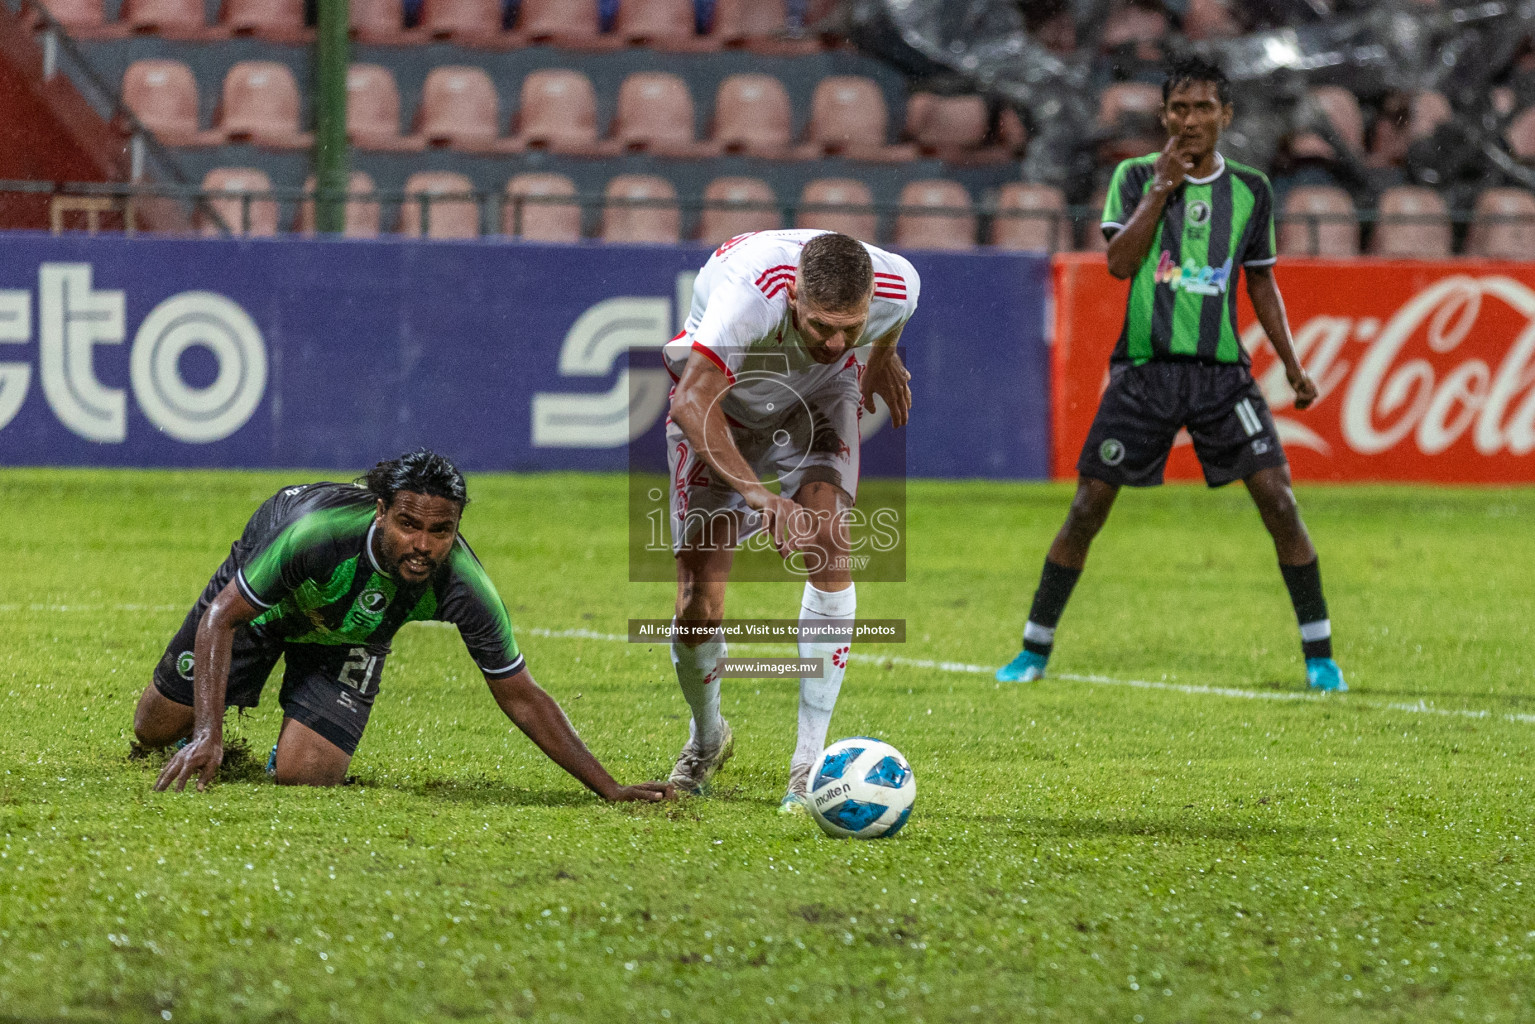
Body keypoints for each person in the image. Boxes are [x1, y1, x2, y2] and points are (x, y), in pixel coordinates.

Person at [997, 56, 1346, 693]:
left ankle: (1320, 657)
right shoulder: (1134, 177)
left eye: (1203, 108)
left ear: (1225, 116)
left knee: (1280, 502)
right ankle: (1033, 649)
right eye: (1179, 109)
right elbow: (1120, 265)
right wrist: (1162, 188)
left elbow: (1261, 281)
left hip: (1222, 379)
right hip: (1143, 373)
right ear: (1164, 116)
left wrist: (1292, 366)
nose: (1189, 120)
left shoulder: (1252, 190)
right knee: (1087, 508)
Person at [134, 448, 676, 800]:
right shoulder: (313, 535)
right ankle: (201, 728)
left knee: (306, 776)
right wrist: (209, 732)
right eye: (408, 524)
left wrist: (610, 788)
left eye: (441, 530)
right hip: (265, 613)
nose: (423, 545)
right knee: (153, 729)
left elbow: (522, 694)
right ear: (380, 511)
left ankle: (288, 744)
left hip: (352, 635)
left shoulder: (462, 584)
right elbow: (222, 618)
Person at [661, 229, 919, 809]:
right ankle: (707, 738)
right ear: (794, 298)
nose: (834, 340)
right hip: (721, 407)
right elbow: (690, 402)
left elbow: (894, 319)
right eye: (821, 326)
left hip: (821, 400)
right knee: (697, 602)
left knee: (830, 540)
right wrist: (763, 497)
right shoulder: (750, 295)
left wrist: (880, 354)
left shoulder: (897, 287)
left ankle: (809, 769)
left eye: (850, 328)